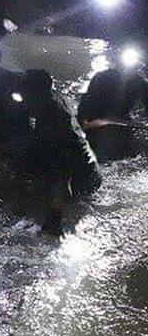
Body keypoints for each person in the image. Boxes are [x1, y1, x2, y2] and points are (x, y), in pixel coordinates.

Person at [20, 69, 102, 233]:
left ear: (35, 94)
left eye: (24, 92)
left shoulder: (54, 120)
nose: (22, 96)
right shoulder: (52, 98)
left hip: (83, 178)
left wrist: (54, 219)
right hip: (90, 167)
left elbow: (62, 171)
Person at [78, 59, 148, 162]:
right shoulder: (101, 77)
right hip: (97, 122)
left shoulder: (139, 83)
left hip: (120, 120)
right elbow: (84, 117)